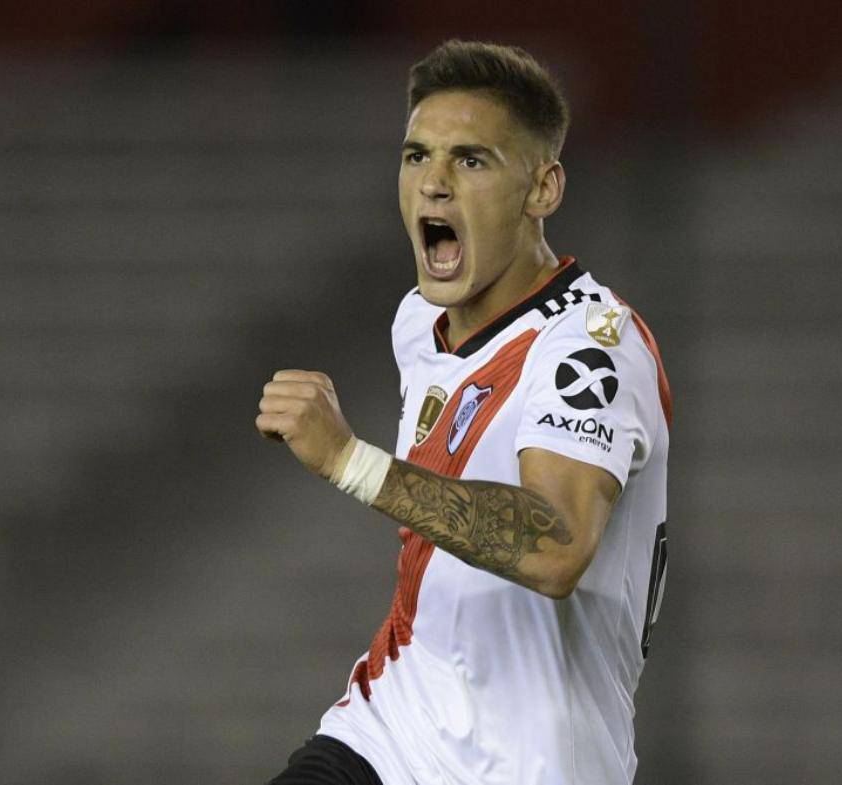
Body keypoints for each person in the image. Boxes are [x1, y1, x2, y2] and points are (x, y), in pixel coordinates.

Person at [255, 40, 672, 785]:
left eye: (471, 160)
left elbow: (557, 547)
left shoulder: (590, 347)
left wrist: (351, 460)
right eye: (417, 156)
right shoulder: (420, 322)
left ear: (543, 188)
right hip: (389, 734)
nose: (433, 184)